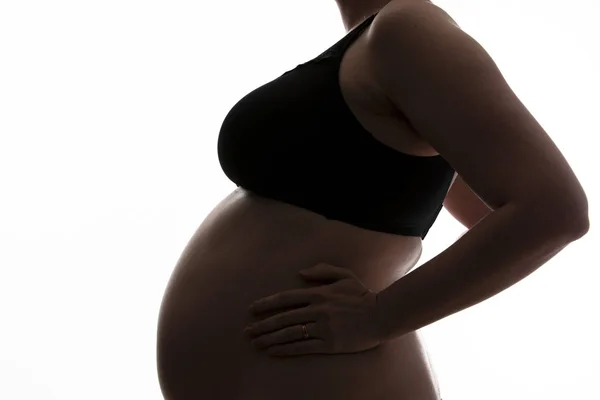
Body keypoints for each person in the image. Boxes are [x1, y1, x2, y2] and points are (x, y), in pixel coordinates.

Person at [156, 0, 589, 398]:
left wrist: (379, 317)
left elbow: (553, 212)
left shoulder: (407, 30)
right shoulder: (375, 43)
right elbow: (485, 210)